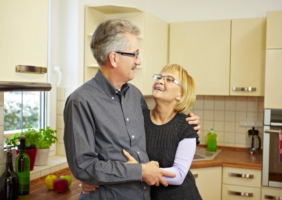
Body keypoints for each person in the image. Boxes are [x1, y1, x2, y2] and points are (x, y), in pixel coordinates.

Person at [63, 17, 201, 200]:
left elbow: (154, 137)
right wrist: (139, 171)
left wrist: (190, 128)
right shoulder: (80, 101)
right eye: (134, 54)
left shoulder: (135, 96)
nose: (139, 61)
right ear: (114, 58)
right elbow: (84, 167)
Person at [82, 64, 202, 200]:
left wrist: (139, 171)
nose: (160, 81)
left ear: (181, 94)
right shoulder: (138, 117)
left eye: (169, 80)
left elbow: (179, 175)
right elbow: (111, 147)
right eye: (159, 77)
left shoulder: (187, 126)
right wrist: (91, 176)